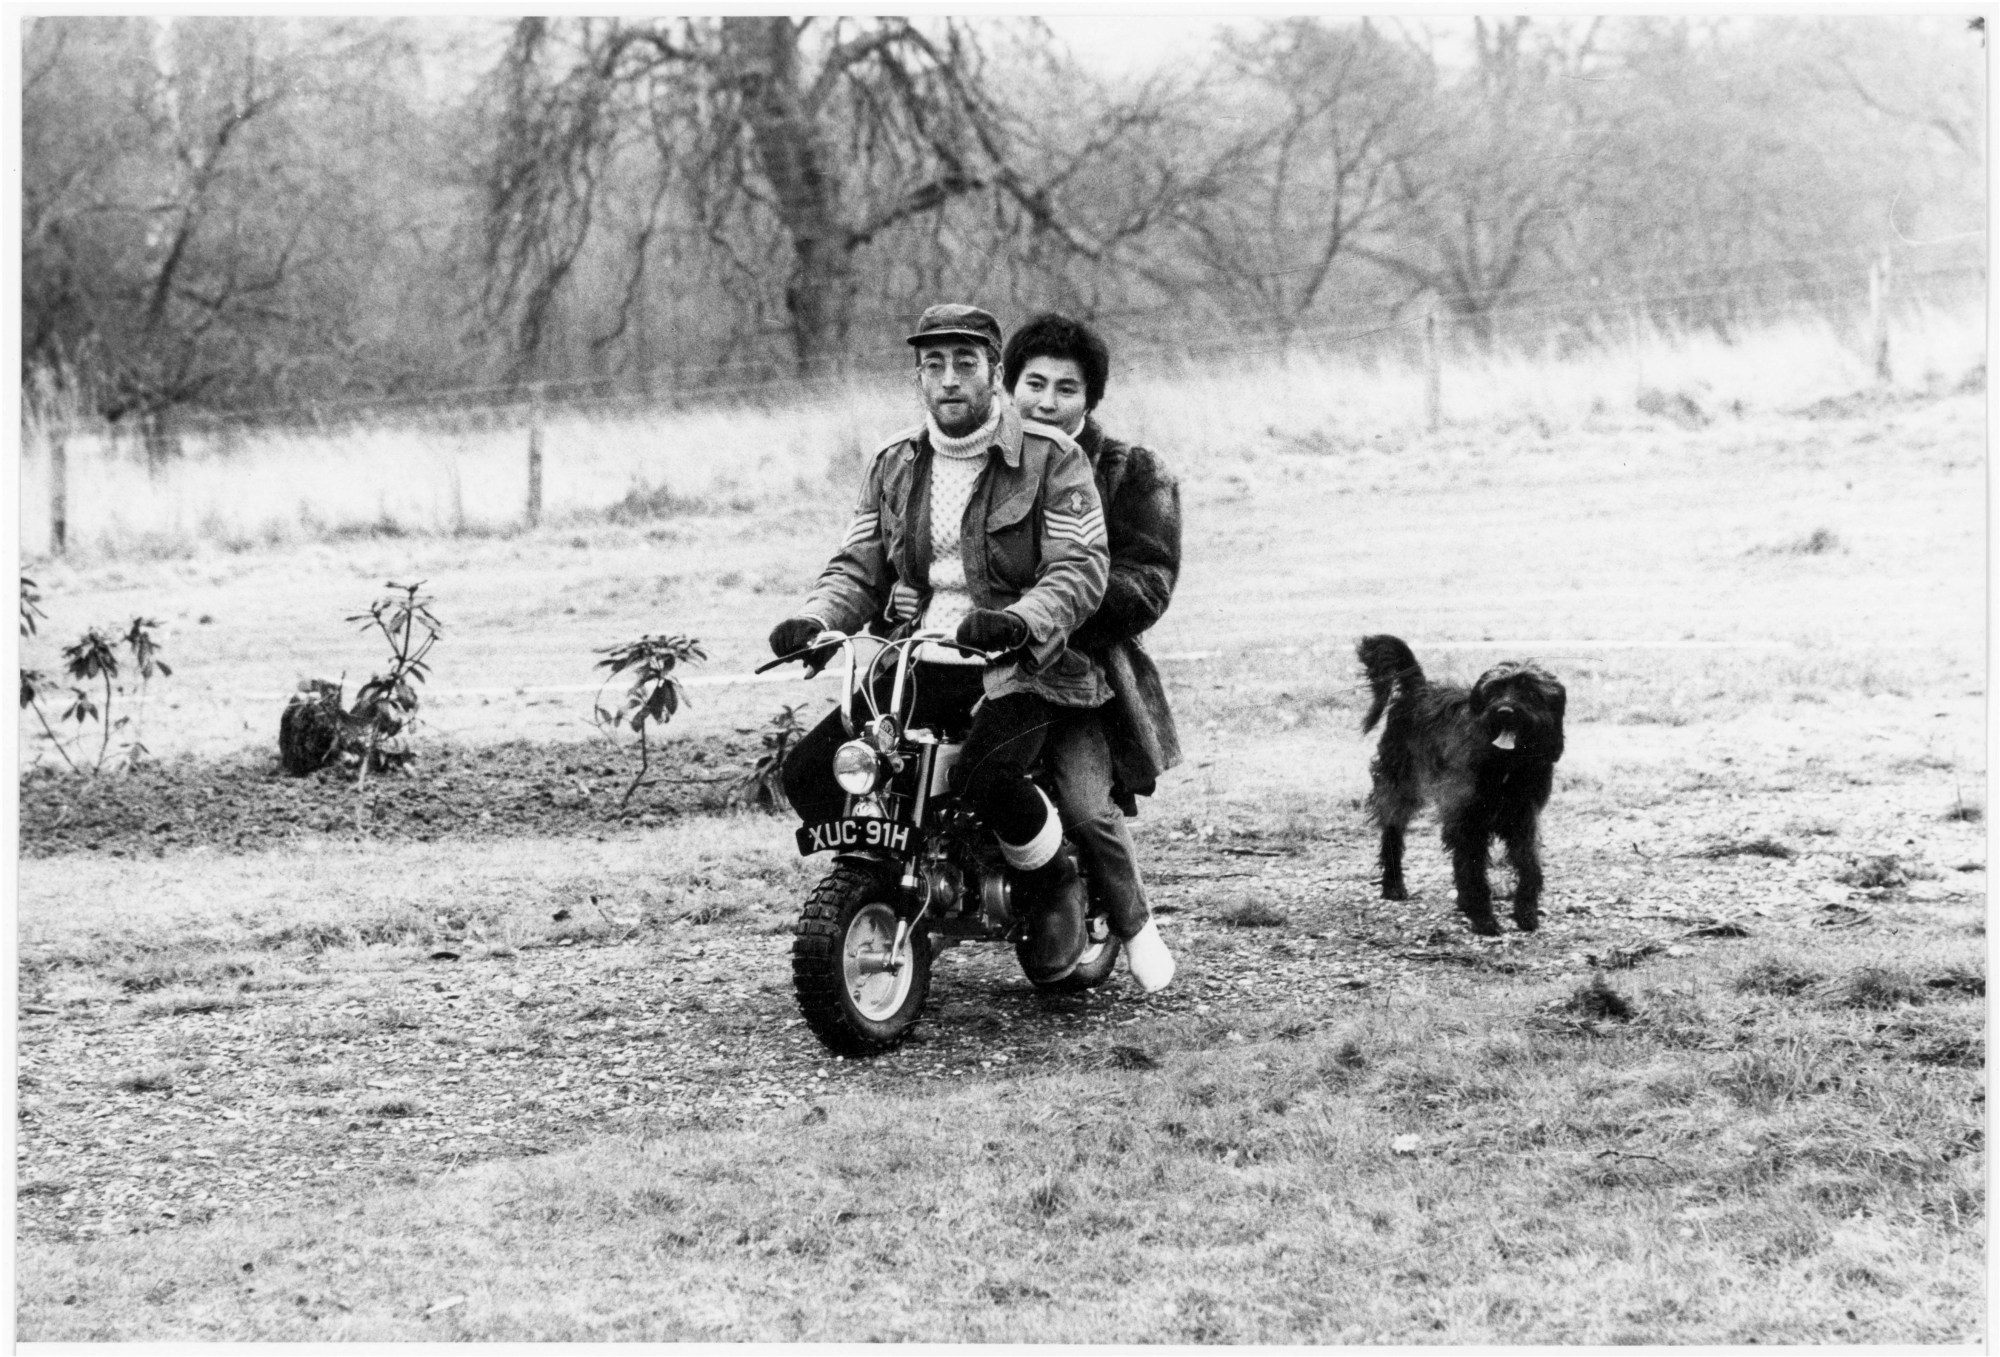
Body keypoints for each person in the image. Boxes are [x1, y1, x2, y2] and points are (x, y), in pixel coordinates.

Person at [768, 303, 1111, 984]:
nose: (949, 379)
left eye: (964, 363)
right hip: (916, 658)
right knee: (811, 770)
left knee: (986, 774)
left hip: (1024, 665)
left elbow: (1081, 569)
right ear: (918, 375)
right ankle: (900, 878)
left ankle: (1056, 881)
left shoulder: (1053, 459)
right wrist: (815, 619)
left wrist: (1018, 619)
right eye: (934, 364)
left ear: (993, 373)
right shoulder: (894, 461)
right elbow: (858, 565)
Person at [1000, 313, 1184, 993]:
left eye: (1066, 388)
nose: (1046, 401)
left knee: (1082, 800)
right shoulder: (986, 460)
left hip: (1085, 671)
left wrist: (1057, 606)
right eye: (1033, 383)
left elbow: (1151, 580)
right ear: (1009, 385)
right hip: (983, 661)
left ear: (1091, 398)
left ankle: (1136, 926)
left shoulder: (1134, 471)